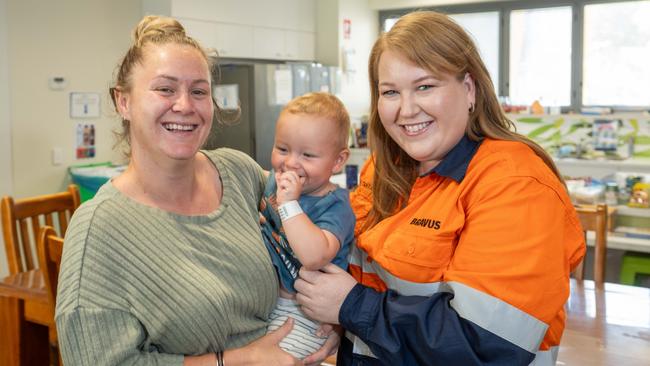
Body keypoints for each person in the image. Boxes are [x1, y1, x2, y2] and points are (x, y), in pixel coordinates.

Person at [294, 11, 585, 366]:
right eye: (390, 92)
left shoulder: (515, 185)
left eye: (425, 86)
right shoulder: (386, 170)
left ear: (469, 88)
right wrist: (338, 322)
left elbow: (487, 347)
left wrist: (351, 306)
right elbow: (354, 272)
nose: (406, 109)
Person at [55, 15, 337, 366]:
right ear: (123, 102)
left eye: (199, 91)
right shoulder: (99, 229)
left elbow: (320, 219)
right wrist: (237, 359)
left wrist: (331, 316)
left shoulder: (239, 173)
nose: (185, 106)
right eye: (165, 89)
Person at [260, 92, 355, 359]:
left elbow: (313, 256)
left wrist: (289, 204)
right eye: (282, 149)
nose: (290, 162)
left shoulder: (335, 206)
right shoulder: (273, 182)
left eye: (308, 155)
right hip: (264, 303)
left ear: (338, 161)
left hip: (306, 314)